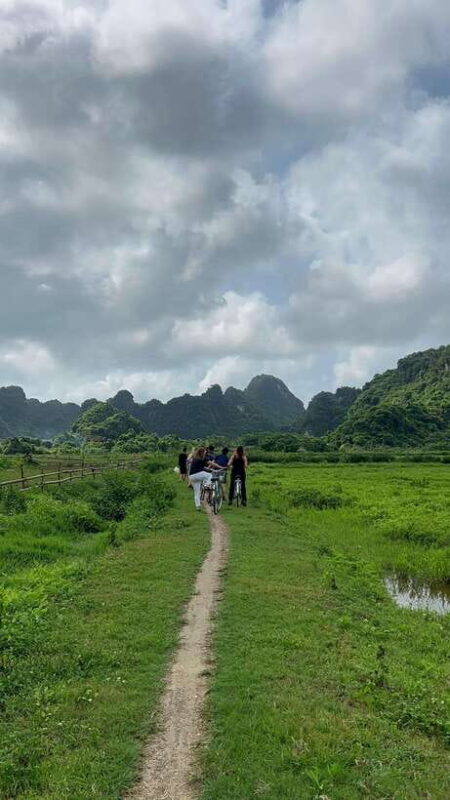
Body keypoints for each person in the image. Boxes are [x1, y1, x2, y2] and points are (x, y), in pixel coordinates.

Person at [189, 446, 221, 510]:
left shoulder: (195, 458)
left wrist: (210, 469)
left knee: (197, 492)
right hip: (197, 474)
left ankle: (197, 506)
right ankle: (208, 485)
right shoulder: (204, 458)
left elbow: (201, 467)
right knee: (209, 475)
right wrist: (221, 467)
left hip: (191, 476)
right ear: (203, 452)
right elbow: (213, 464)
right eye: (205, 452)